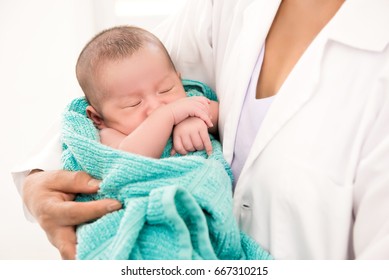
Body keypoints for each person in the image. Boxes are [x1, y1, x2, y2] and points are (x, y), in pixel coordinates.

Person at [12, 0, 389, 259]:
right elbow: (118, 81)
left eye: (168, 92)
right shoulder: (223, 7)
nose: (158, 104)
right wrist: (37, 181)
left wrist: (196, 113)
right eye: (135, 105)